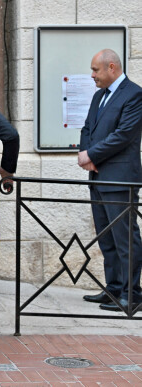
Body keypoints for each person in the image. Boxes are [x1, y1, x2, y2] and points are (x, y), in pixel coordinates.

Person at [78, 49, 142, 311]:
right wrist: (86, 156)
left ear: (112, 67)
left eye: (96, 70)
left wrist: (91, 154)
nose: (92, 75)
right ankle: (113, 288)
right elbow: (87, 128)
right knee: (106, 237)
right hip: (98, 176)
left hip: (120, 178)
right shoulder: (98, 96)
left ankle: (133, 293)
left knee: (125, 237)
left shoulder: (134, 94)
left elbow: (124, 134)